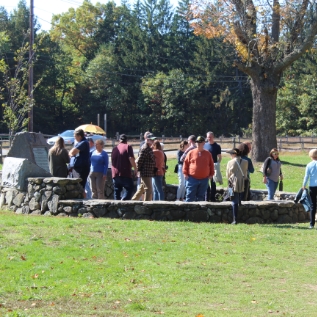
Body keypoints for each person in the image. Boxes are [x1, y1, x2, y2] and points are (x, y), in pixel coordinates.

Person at [183, 136, 214, 202]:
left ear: (203, 143)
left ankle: (198, 212)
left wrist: (211, 174)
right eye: (197, 142)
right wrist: (185, 174)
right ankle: (188, 211)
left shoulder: (208, 154)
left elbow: (211, 165)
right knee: (189, 196)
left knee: (200, 198)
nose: (198, 144)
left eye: (200, 142)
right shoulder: (191, 152)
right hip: (192, 179)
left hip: (204, 179)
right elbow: (185, 163)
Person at [111, 134, 137, 200]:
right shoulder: (128, 147)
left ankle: (116, 207)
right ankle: (124, 204)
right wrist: (135, 169)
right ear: (126, 140)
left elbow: (112, 160)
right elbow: (131, 158)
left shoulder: (114, 148)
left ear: (119, 140)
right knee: (129, 188)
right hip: (125, 172)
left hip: (115, 173)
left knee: (117, 191)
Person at [226, 148, 248, 224]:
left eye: (231, 154)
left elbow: (228, 175)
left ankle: (235, 220)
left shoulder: (230, 162)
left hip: (232, 182)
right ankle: (239, 202)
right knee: (238, 197)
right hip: (241, 181)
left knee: (233, 200)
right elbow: (245, 174)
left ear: (234, 154)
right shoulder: (245, 162)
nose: (230, 155)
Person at [132, 133, 156, 201]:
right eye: (152, 140)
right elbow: (139, 161)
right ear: (147, 140)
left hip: (148, 172)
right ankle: (147, 204)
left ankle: (133, 201)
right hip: (145, 172)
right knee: (148, 189)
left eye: (153, 140)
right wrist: (137, 170)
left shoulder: (149, 148)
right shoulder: (145, 148)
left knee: (141, 188)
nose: (153, 141)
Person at [69, 129, 90, 196]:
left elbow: (72, 152)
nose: (74, 138)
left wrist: (72, 152)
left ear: (80, 136)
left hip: (81, 168)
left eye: (75, 136)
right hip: (77, 168)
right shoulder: (78, 143)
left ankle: (83, 202)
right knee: (77, 187)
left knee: (80, 187)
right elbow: (71, 153)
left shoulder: (83, 143)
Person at [204, 131, 222, 201]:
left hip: (213, 166)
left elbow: (220, 157)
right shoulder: (205, 145)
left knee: (213, 183)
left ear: (213, 137)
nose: (209, 138)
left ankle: (213, 198)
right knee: (206, 183)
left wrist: (217, 164)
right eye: (208, 137)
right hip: (206, 167)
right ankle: (206, 197)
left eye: (210, 137)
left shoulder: (217, 146)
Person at [302, 149, 317, 228]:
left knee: (313, 205)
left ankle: (312, 224)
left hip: (312, 186)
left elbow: (306, 176)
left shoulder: (309, 165)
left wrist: (303, 185)